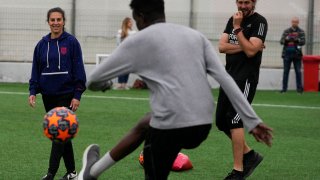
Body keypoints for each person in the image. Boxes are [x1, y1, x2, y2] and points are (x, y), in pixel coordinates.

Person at [78, 0, 273, 179]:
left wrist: (105, 85)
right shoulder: (195, 36)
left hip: (170, 125)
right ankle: (93, 171)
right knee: (146, 122)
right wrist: (252, 121)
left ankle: (91, 174)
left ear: (139, 17)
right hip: (201, 127)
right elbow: (224, 78)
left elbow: (93, 79)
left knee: (155, 160)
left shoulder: (138, 41)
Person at [28, 7, 86, 180]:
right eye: (52, 20)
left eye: (58, 20)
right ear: (48, 22)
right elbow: (36, 70)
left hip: (67, 94)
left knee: (58, 134)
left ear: (64, 21)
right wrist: (33, 91)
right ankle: (72, 173)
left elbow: (79, 69)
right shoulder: (41, 44)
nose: (55, 23)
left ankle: (51, 173)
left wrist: (77, 94)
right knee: (64, 134)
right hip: (48, 95)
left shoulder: (71, 42)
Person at [216, 0, 268, 179]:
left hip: (245, 79)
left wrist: (238, 29)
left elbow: (251, 53)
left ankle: (238, 171)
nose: (243, 6)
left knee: (234, 119)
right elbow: (222, 47)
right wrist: (246, 46)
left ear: (253, 3)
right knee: (221, 121)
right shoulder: (233, 19)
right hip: (229, 76)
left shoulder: (259, 22)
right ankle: (250, 155)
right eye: (240, 2)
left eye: (247, 2)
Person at [280, 17, 305, 93]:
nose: (294, 23)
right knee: (285, 72)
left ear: (298, 22)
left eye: (296, 22)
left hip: (297, 54)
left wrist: (296, 40)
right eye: (293, 22)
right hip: (287, 54)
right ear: (291, 22)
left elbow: (303, 42)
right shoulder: (286, 31)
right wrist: (287, 40)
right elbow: (281, 41)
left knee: (298, 71)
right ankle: (284, 89)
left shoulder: (301, 32)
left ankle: (299, 89)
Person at [115, 17, 136, 90]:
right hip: (121, 54)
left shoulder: (133, 32)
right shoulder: (120, 32)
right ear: (126, 23)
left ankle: (125, 84)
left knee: (127, 69)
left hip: (130, 54)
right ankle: (120, 84)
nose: (131, 24)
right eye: (130, 22)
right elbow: (117, 43)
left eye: (131, 22)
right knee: (120, 69)